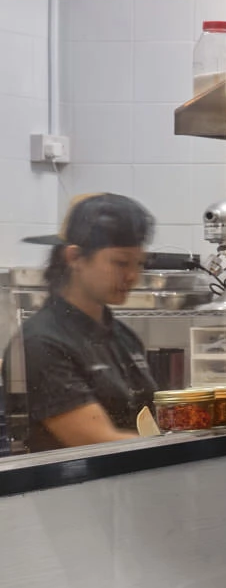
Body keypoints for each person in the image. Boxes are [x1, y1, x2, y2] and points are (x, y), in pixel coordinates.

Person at [15, 193, 158, 451]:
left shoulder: (123, 337)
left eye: (139, 263)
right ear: (74, 258)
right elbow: (98, 441)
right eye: (121, 262)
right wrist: (182, 445)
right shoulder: (42, 342)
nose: (133, 276)